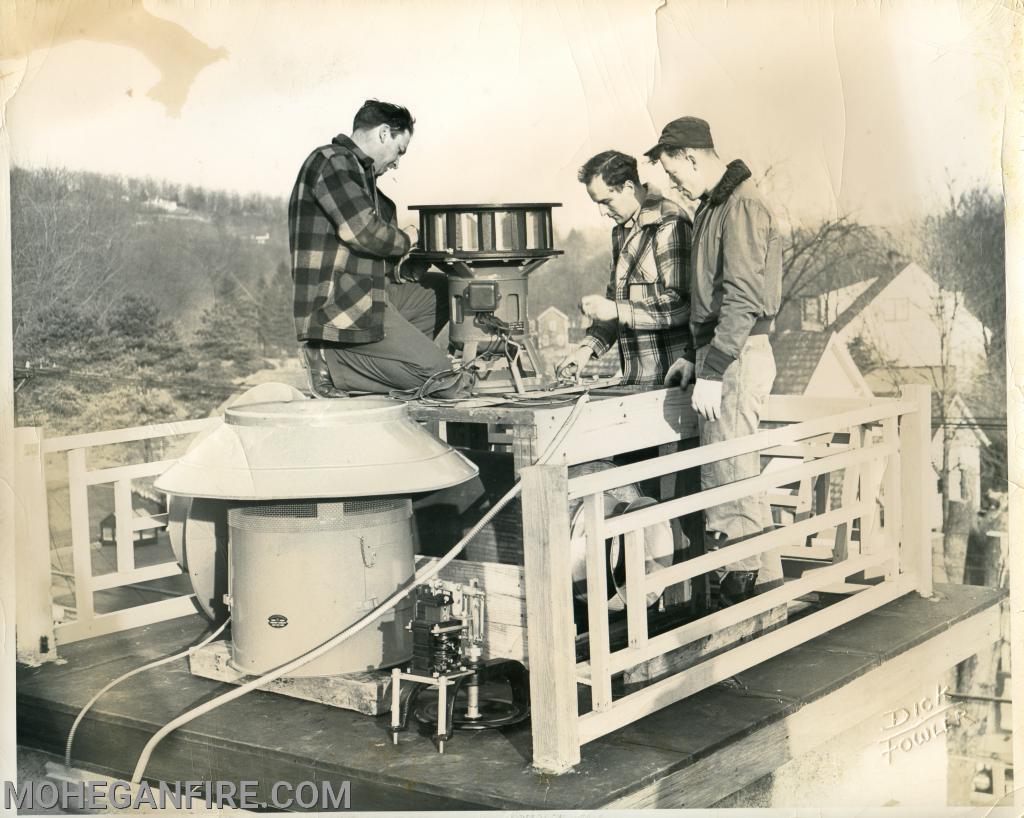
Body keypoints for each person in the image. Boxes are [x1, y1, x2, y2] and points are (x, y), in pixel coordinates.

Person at [646, 117, 784, 606]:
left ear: (691, 156)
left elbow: (742, 298)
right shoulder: (715, 206)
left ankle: (740, 594)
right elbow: (709, 296)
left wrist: (713, 367)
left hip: (737, 353)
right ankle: (767, 595)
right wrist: (692, 356)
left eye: (673, 171)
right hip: (724, 351)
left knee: (727, 471)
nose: (673, 183)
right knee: (738, 467)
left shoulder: (740, 205)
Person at [288, 100, 457, 397]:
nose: (396, 163)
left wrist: (406, 267)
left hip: (365, 295)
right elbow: (361, 231)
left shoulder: (361, 179)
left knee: (444, 289)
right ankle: (331, 361)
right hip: (338, 304)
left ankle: (396, 365)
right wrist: (407, 239)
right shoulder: (333, 161)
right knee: (442, 377)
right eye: (399, 150)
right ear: (382, 133)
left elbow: (367, 253)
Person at [556, 150, 694, 387]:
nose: (602, 211)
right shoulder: (621, 232)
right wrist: (586, 350)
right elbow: (616, 308)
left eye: (606, 201)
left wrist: (616, 309)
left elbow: (682, 305)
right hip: (637, 382)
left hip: (672, 385)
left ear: (629, 187)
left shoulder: (670, 223)